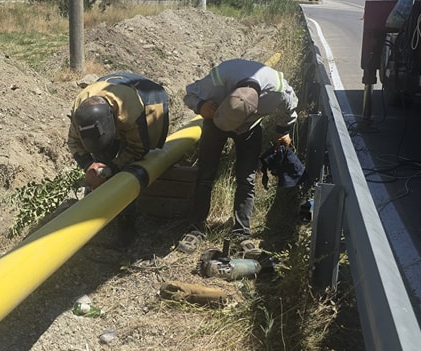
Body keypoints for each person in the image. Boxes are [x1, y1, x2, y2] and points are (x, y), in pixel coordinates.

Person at [182, 59, 298, 242]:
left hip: (249, 128)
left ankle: (241, 233)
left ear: (255, 110)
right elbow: (189, 94)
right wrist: (200, 106)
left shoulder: (278, 90)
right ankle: (196, 228)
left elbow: (290, 109)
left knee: (247, 179)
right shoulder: (219, 79)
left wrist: (283, 131)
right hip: (215, 122)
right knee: (205, 174)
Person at [67, 71, 170, 191]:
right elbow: (74, 142)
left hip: (149, 98)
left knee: (136, 164)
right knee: (101, 157)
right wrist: (89, 165)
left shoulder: (132, 113)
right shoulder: (79, 113)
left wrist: (112, 169)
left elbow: (137, 149)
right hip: (110, 88)